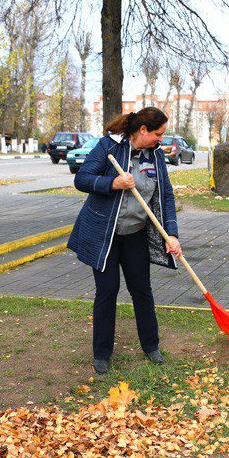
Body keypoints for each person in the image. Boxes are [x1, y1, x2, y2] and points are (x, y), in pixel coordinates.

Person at [67, 106, 181, 375]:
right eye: (158, 134)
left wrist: (172, 234)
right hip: (104, 235)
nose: (160, 139)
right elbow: (82, 179)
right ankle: (102, 354)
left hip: (135, 234)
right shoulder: (109, 146)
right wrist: (113, 183)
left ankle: (151, 346)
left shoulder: (156, 155)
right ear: (143, 130)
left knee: (142, 290)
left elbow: (165, 195)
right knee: (107, 292)